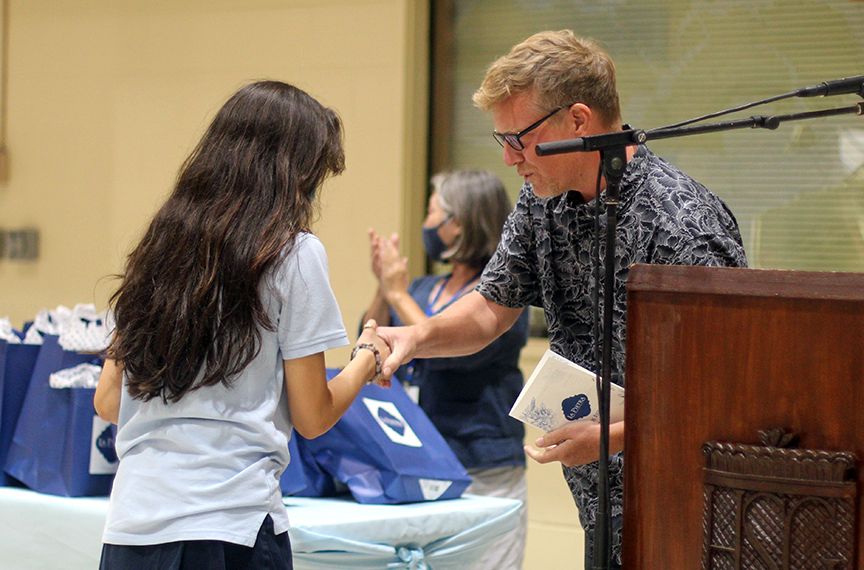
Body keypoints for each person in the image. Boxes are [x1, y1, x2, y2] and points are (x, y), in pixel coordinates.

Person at [377, 30, 748, 569]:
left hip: (685, 503)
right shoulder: (541, 198)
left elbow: (722, 394)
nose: (509, 160)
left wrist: (613, 438)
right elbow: (490, 305)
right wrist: (415, 336)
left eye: (518, 139)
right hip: (599, 500)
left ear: (578, 121)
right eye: (500, 140)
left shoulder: (681, 224)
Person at [93, 80, 390, 570]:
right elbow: (313, 415)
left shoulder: (158, 248)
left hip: (130, 528)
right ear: (293, 172)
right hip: (231, 527)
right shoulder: (293, 253)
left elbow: (108, 401)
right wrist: (367, 357)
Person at [363, 169, 530, 570]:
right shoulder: (424, 288)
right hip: (421, 464)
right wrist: (384, 288)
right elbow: (369, 342)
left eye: (432, 212)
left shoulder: (501, 298)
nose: (426, 225)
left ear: (458, 224)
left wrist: (399, 293)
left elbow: (458, 351)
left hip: (484, 467)